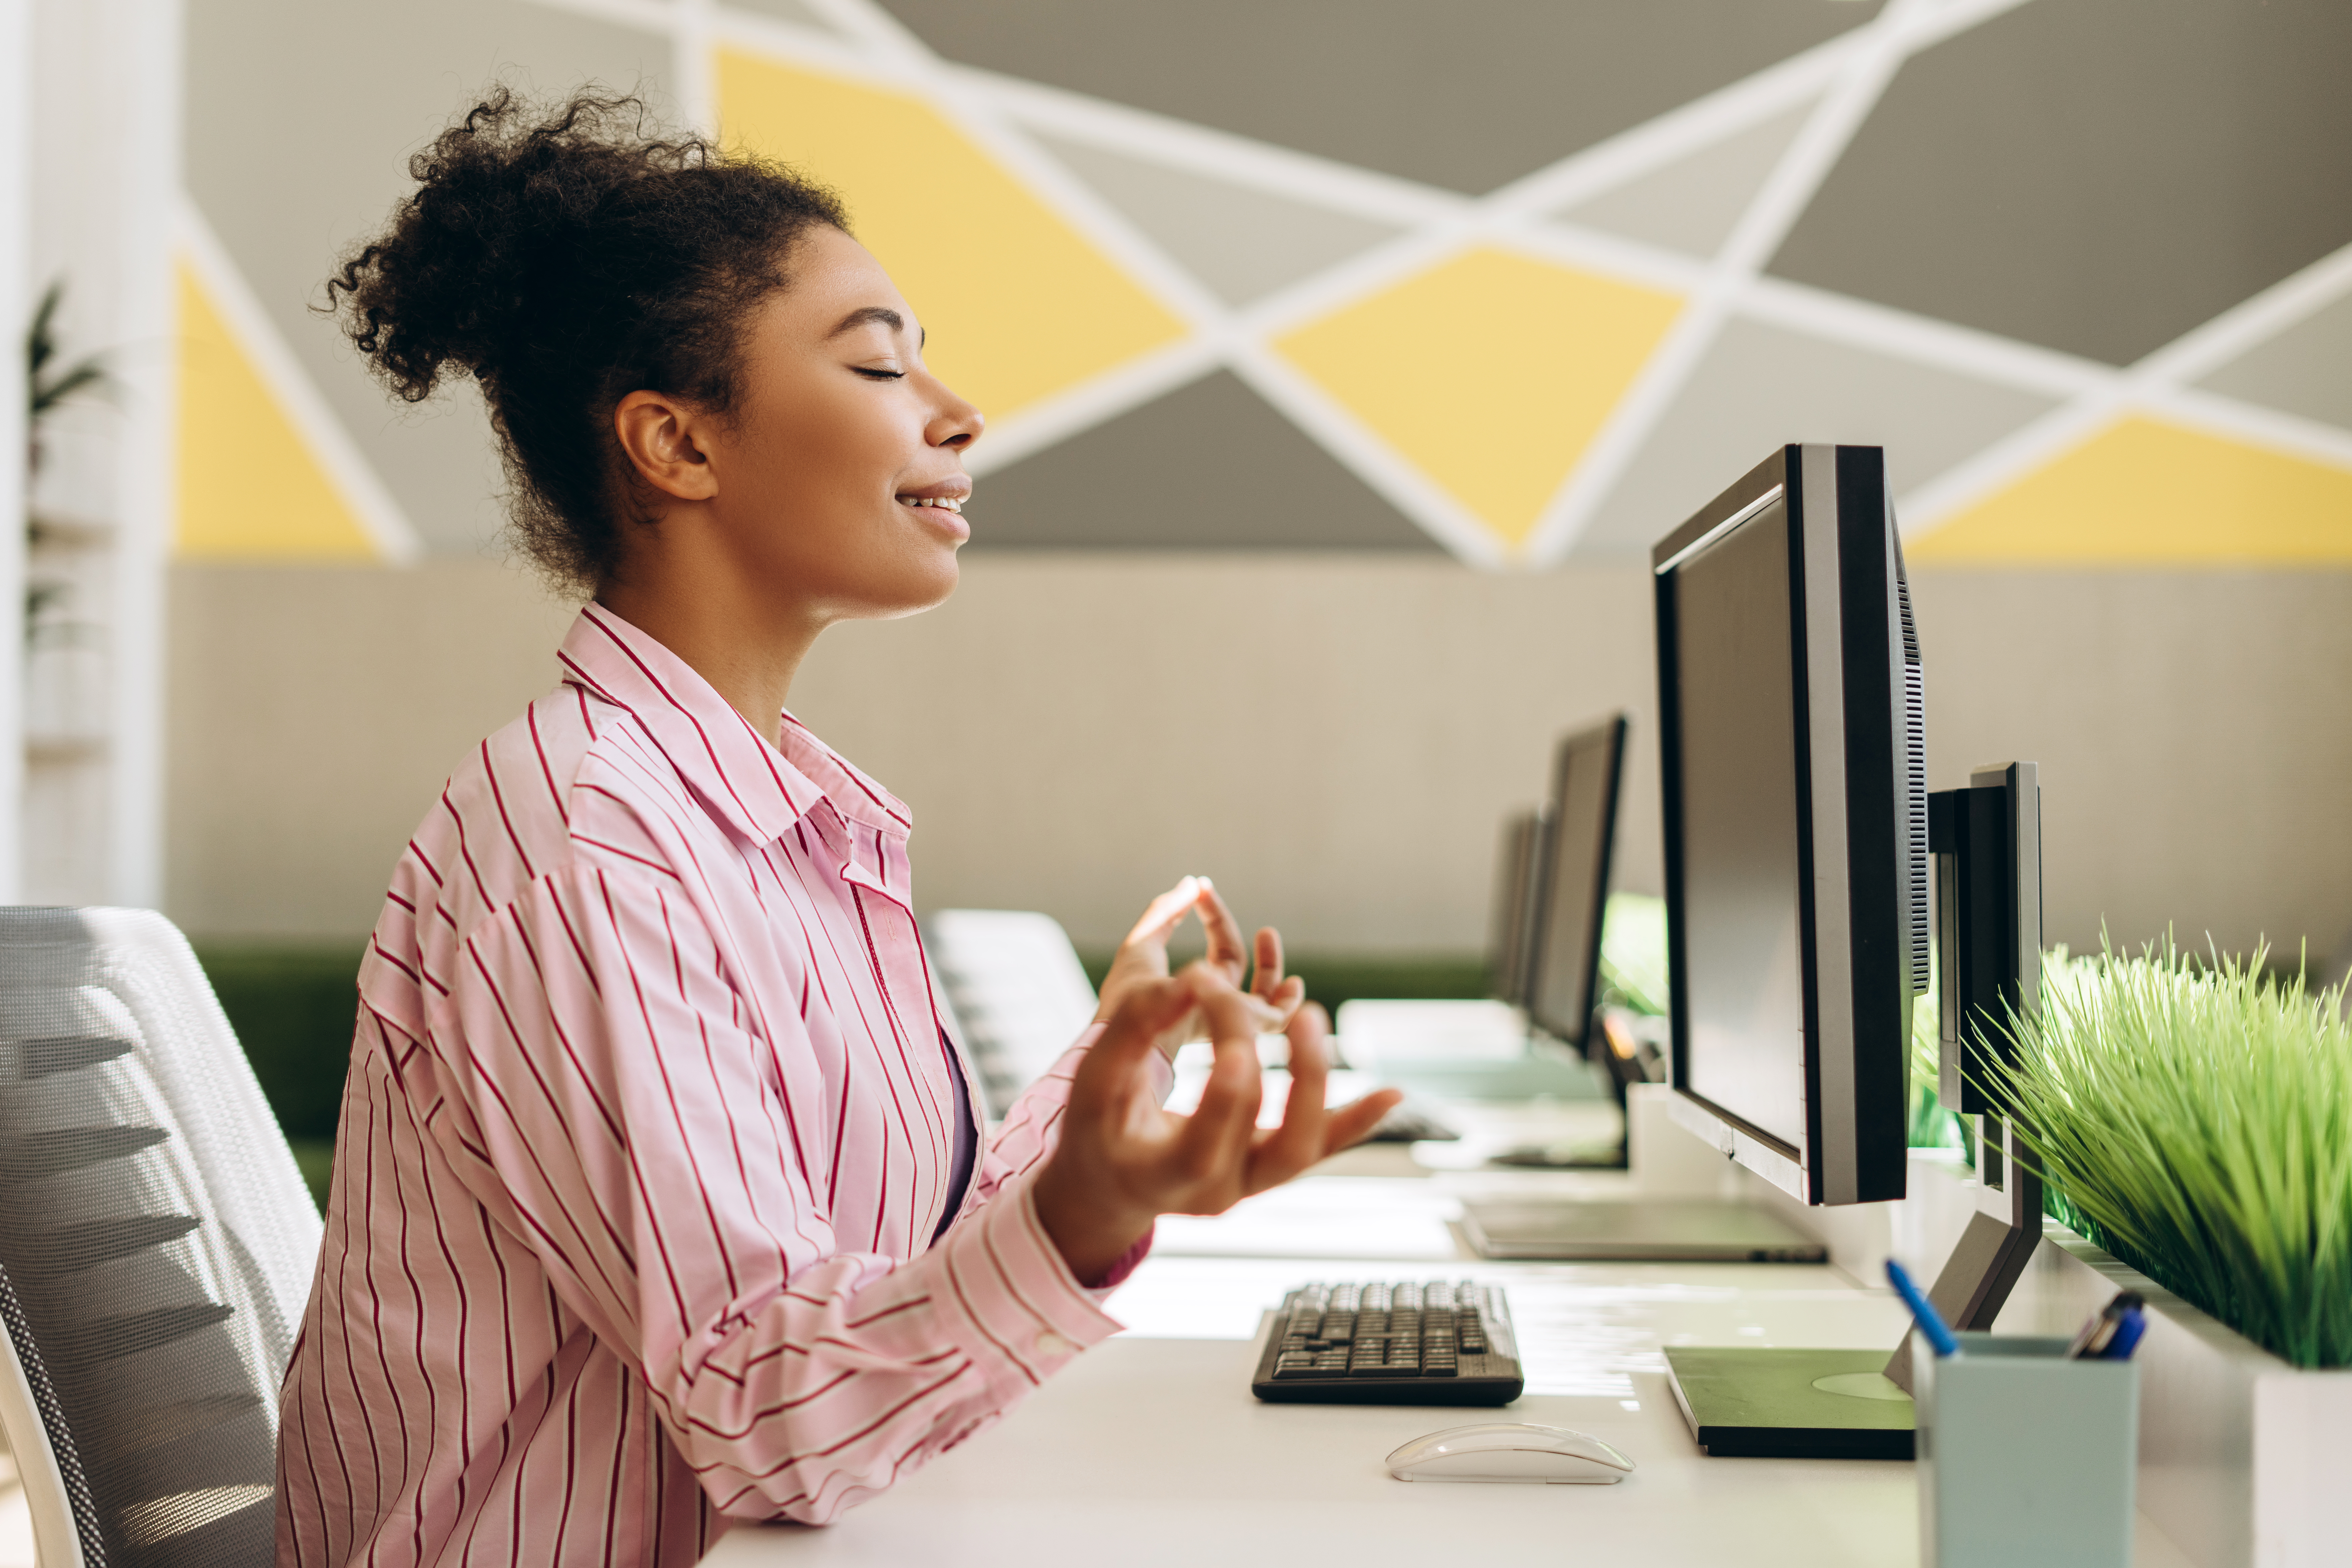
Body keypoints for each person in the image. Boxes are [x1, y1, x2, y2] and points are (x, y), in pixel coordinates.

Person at [273, 87, 1400, 1568]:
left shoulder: (780, 819)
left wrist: (1089, 1122)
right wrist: (1069, 1216)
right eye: (880, 362)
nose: (957, 411)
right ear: (678, 445)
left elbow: (876, 1284)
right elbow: (773, 1413)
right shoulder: (591, 845)